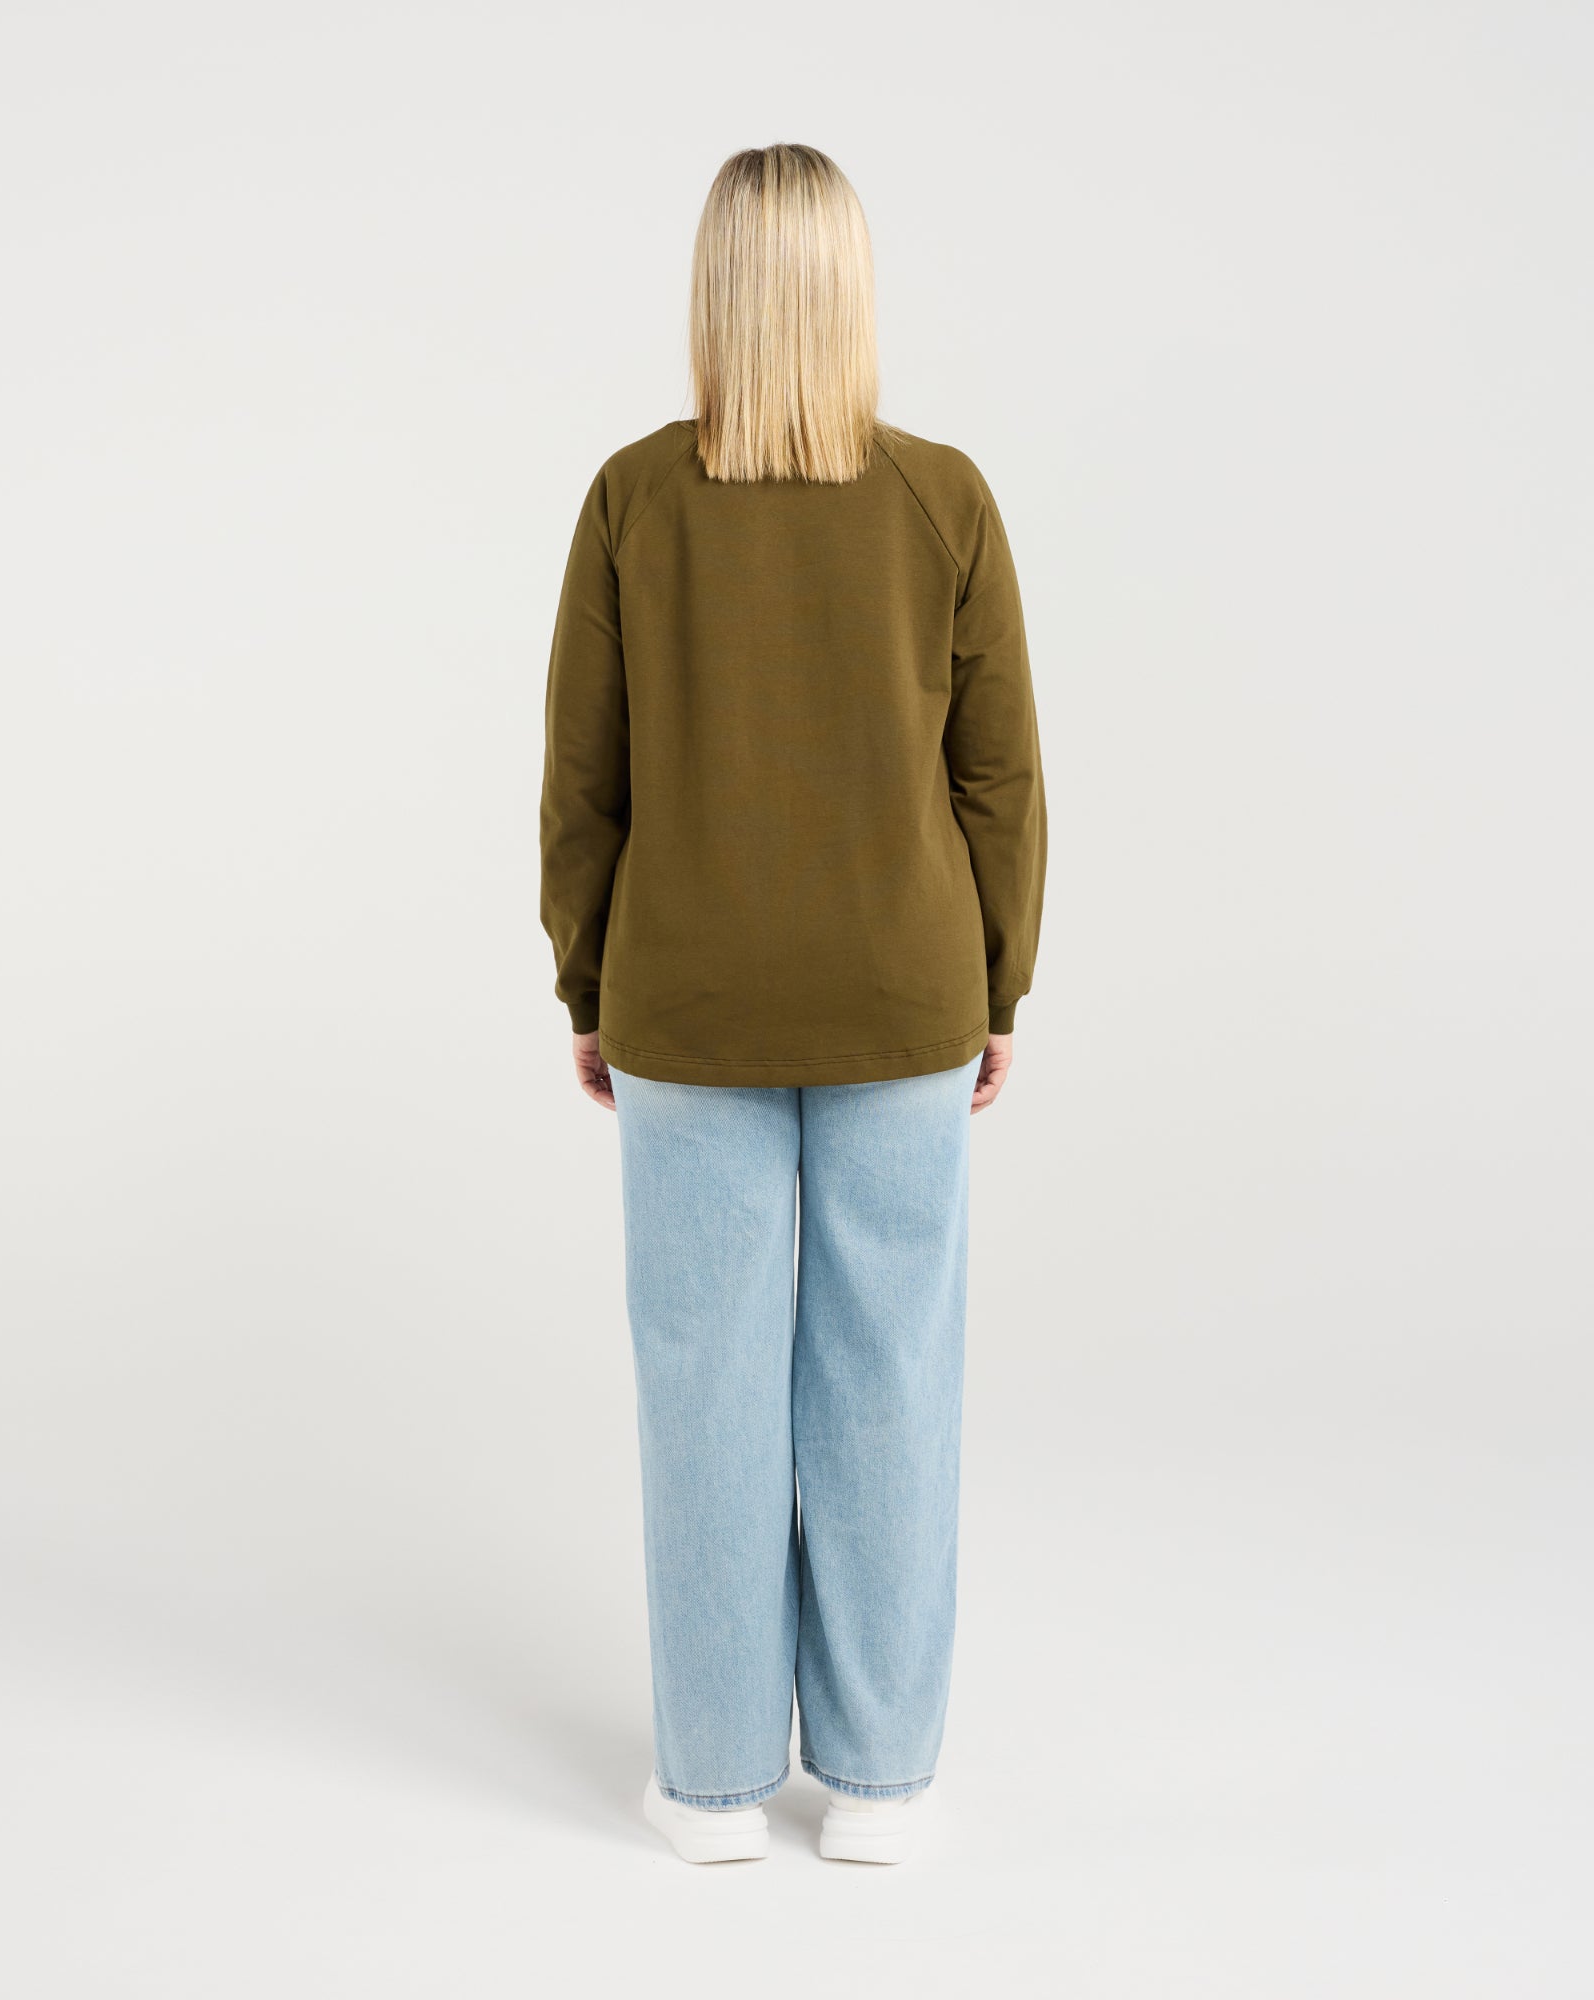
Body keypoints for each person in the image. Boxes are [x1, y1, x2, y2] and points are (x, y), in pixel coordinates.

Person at [539, 143, 1046, 1865]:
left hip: (688, 1005)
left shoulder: (632, 499)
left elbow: (584, 782)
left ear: (713, 293)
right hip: (903, 996)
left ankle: (711, 1788)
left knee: (705, 1386)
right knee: (890, 1376)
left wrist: (586, 979)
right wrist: (1001, 978)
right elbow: (999, 780)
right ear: (852, 292)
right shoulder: (943, 499)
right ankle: (885, 1785)